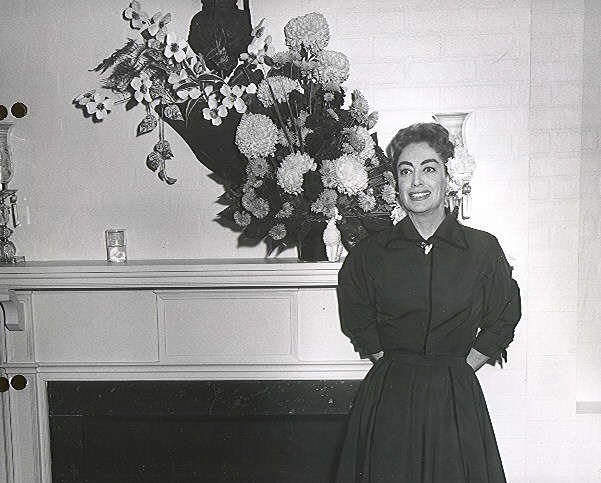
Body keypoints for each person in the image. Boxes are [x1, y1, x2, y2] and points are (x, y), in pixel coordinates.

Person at [335, 122, 521, 482]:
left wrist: (461, 367)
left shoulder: (482, 249)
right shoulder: (370, 254)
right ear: (397, 184)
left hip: (455, 394)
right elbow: (357, 316)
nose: (417, 181)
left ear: (447, 176)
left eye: (428, 169)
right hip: (390, 396)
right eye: (406, 171)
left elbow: (505, 313)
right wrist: (393, 364)